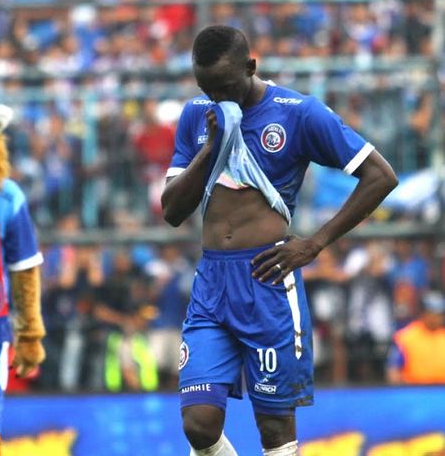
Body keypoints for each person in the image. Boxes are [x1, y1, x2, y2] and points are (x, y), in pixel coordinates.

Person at [160, 25, 398, 456]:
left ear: (251, 67)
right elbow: (173, 211)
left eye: (227, 87)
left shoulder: (298, 113)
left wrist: (315, 243)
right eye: (207, 88)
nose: (219, 98)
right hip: (212, 282)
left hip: (267, 280)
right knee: (198, 424)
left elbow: (381, 176)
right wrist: (211, 146)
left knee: (274, 430)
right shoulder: (198, 115)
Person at [386, 290, 445, 385]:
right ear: (423, 313)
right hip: (414, 391)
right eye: (433, 314)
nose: (438, 318)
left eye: (440, 314)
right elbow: (393, 369)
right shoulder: (406, 336)